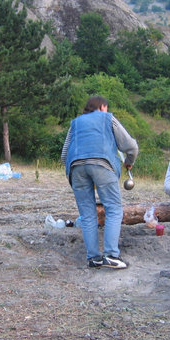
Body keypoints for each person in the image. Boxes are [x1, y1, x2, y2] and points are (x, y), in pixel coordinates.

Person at [61, 96, 138, 269]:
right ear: (103, 107)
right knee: (113, 209)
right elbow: (131, 146)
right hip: (102, 163)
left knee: (87, 214)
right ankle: (111, 255)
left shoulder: (75, 123)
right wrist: (129, 161)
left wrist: (80, 166)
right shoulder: (108, 118)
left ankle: (93, 258)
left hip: (75, 167)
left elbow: (64, 154)